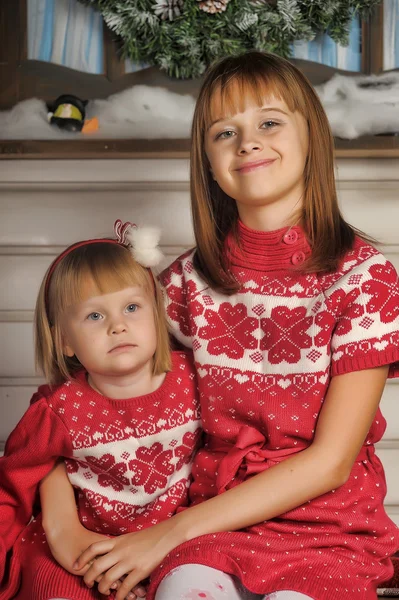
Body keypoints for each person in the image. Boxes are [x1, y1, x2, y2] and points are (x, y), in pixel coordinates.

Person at [41, 51, 399, 600]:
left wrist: (165, 534)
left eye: (270, 123)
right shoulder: (183, 283)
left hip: (331, 531)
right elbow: (66, 412)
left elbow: (330, 463)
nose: (248, 143)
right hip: (214, 526)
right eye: (224, 132)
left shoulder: (364, 279)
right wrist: (70, 528)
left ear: (314, 137)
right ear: (207, 161)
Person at [0, 221, 201, 600]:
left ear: (157, 315)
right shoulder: (58, 409)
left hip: (170, 540)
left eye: (131, 307)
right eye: (95, 316)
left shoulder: (192, 380)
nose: (118, 326)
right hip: (84, 548)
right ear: (65, 341)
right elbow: (13, 484)